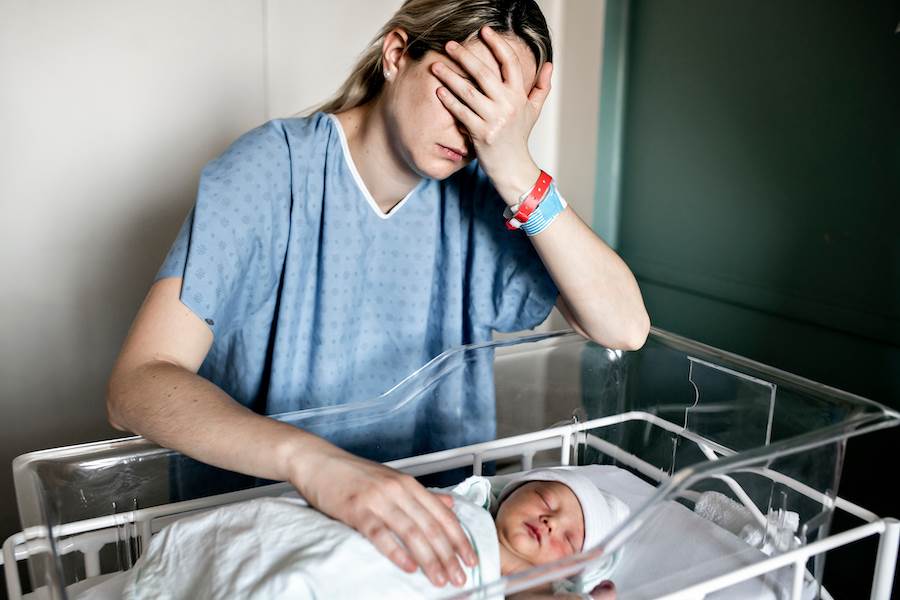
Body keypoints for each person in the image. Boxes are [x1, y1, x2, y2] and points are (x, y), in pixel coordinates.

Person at [106, 0, 649, 591]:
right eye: (463, 91)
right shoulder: (272, 171)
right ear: (396, 56)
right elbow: (138, 383)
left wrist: (517, 168)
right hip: (276, 532)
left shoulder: (490, 196)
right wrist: (316, 465)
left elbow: (624, 327)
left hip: (437, 539)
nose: (474, 128)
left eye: (498, 112)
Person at [95, 468, 623, 599]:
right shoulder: (458, 510)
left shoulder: (524, 589)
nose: (551, 521)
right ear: (512, 491)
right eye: (549, 499)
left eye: (569, 539)